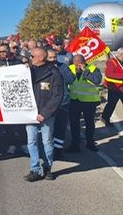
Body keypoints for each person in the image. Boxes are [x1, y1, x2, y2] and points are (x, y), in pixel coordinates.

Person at [24, 47, 64, 182]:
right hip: (30, 114)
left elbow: (57, 96)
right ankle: (35, 169)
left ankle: (47, 167)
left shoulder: (54, 73)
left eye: (32, 56)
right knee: (31, 142)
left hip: (46, 115)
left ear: (41, 57)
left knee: (47, 141)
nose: (30, 58)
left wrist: (45, 113)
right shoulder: (28, 71)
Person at [65, 54, 102, 152]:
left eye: (79, 62)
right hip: (74, 100)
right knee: (74, 124)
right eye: (75, 62)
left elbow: (97, 80)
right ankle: (75, 144)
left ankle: (90, 143)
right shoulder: (70, 68)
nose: (77, 65)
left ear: (84, 62)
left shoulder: (93, 69)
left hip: (89, 102)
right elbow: (67, 80)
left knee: (90, 124)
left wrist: (85, 71)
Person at [47, 49, 69, 157]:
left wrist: (60, 70)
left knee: (61, 127)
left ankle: (58, 150)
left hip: (63, 102)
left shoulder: (63, 66)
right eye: (50, 58)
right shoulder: (42, 67)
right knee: (49, 128)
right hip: (48, 103)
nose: (53, 60)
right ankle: (48, 150)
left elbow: (71, 79)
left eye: (54, 57)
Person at [102, 47, 123, 127]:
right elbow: (109, 75)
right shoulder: (112, 62)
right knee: (111, 104)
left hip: (122, 87)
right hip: (114, 88)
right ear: (121, 54)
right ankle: (105, 118)